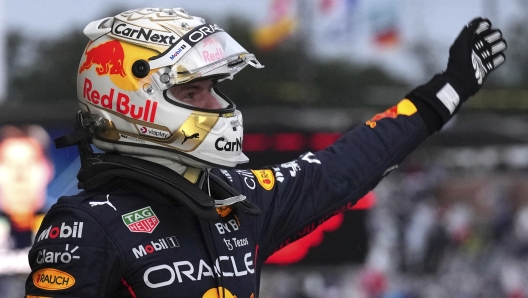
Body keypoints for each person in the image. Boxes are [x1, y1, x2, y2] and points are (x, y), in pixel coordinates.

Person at [24, 7, 507, 298]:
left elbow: (347, 165)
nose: (217, 105)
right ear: (130, 104)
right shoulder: (84, 226)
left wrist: (448, 90)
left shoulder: (236, 202)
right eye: (193, 94)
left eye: (214, 88)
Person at [0, 125, 54, 298]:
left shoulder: (72, 226)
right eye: (8, 163)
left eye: (29, 163)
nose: (19, 175)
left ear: (47, 169)